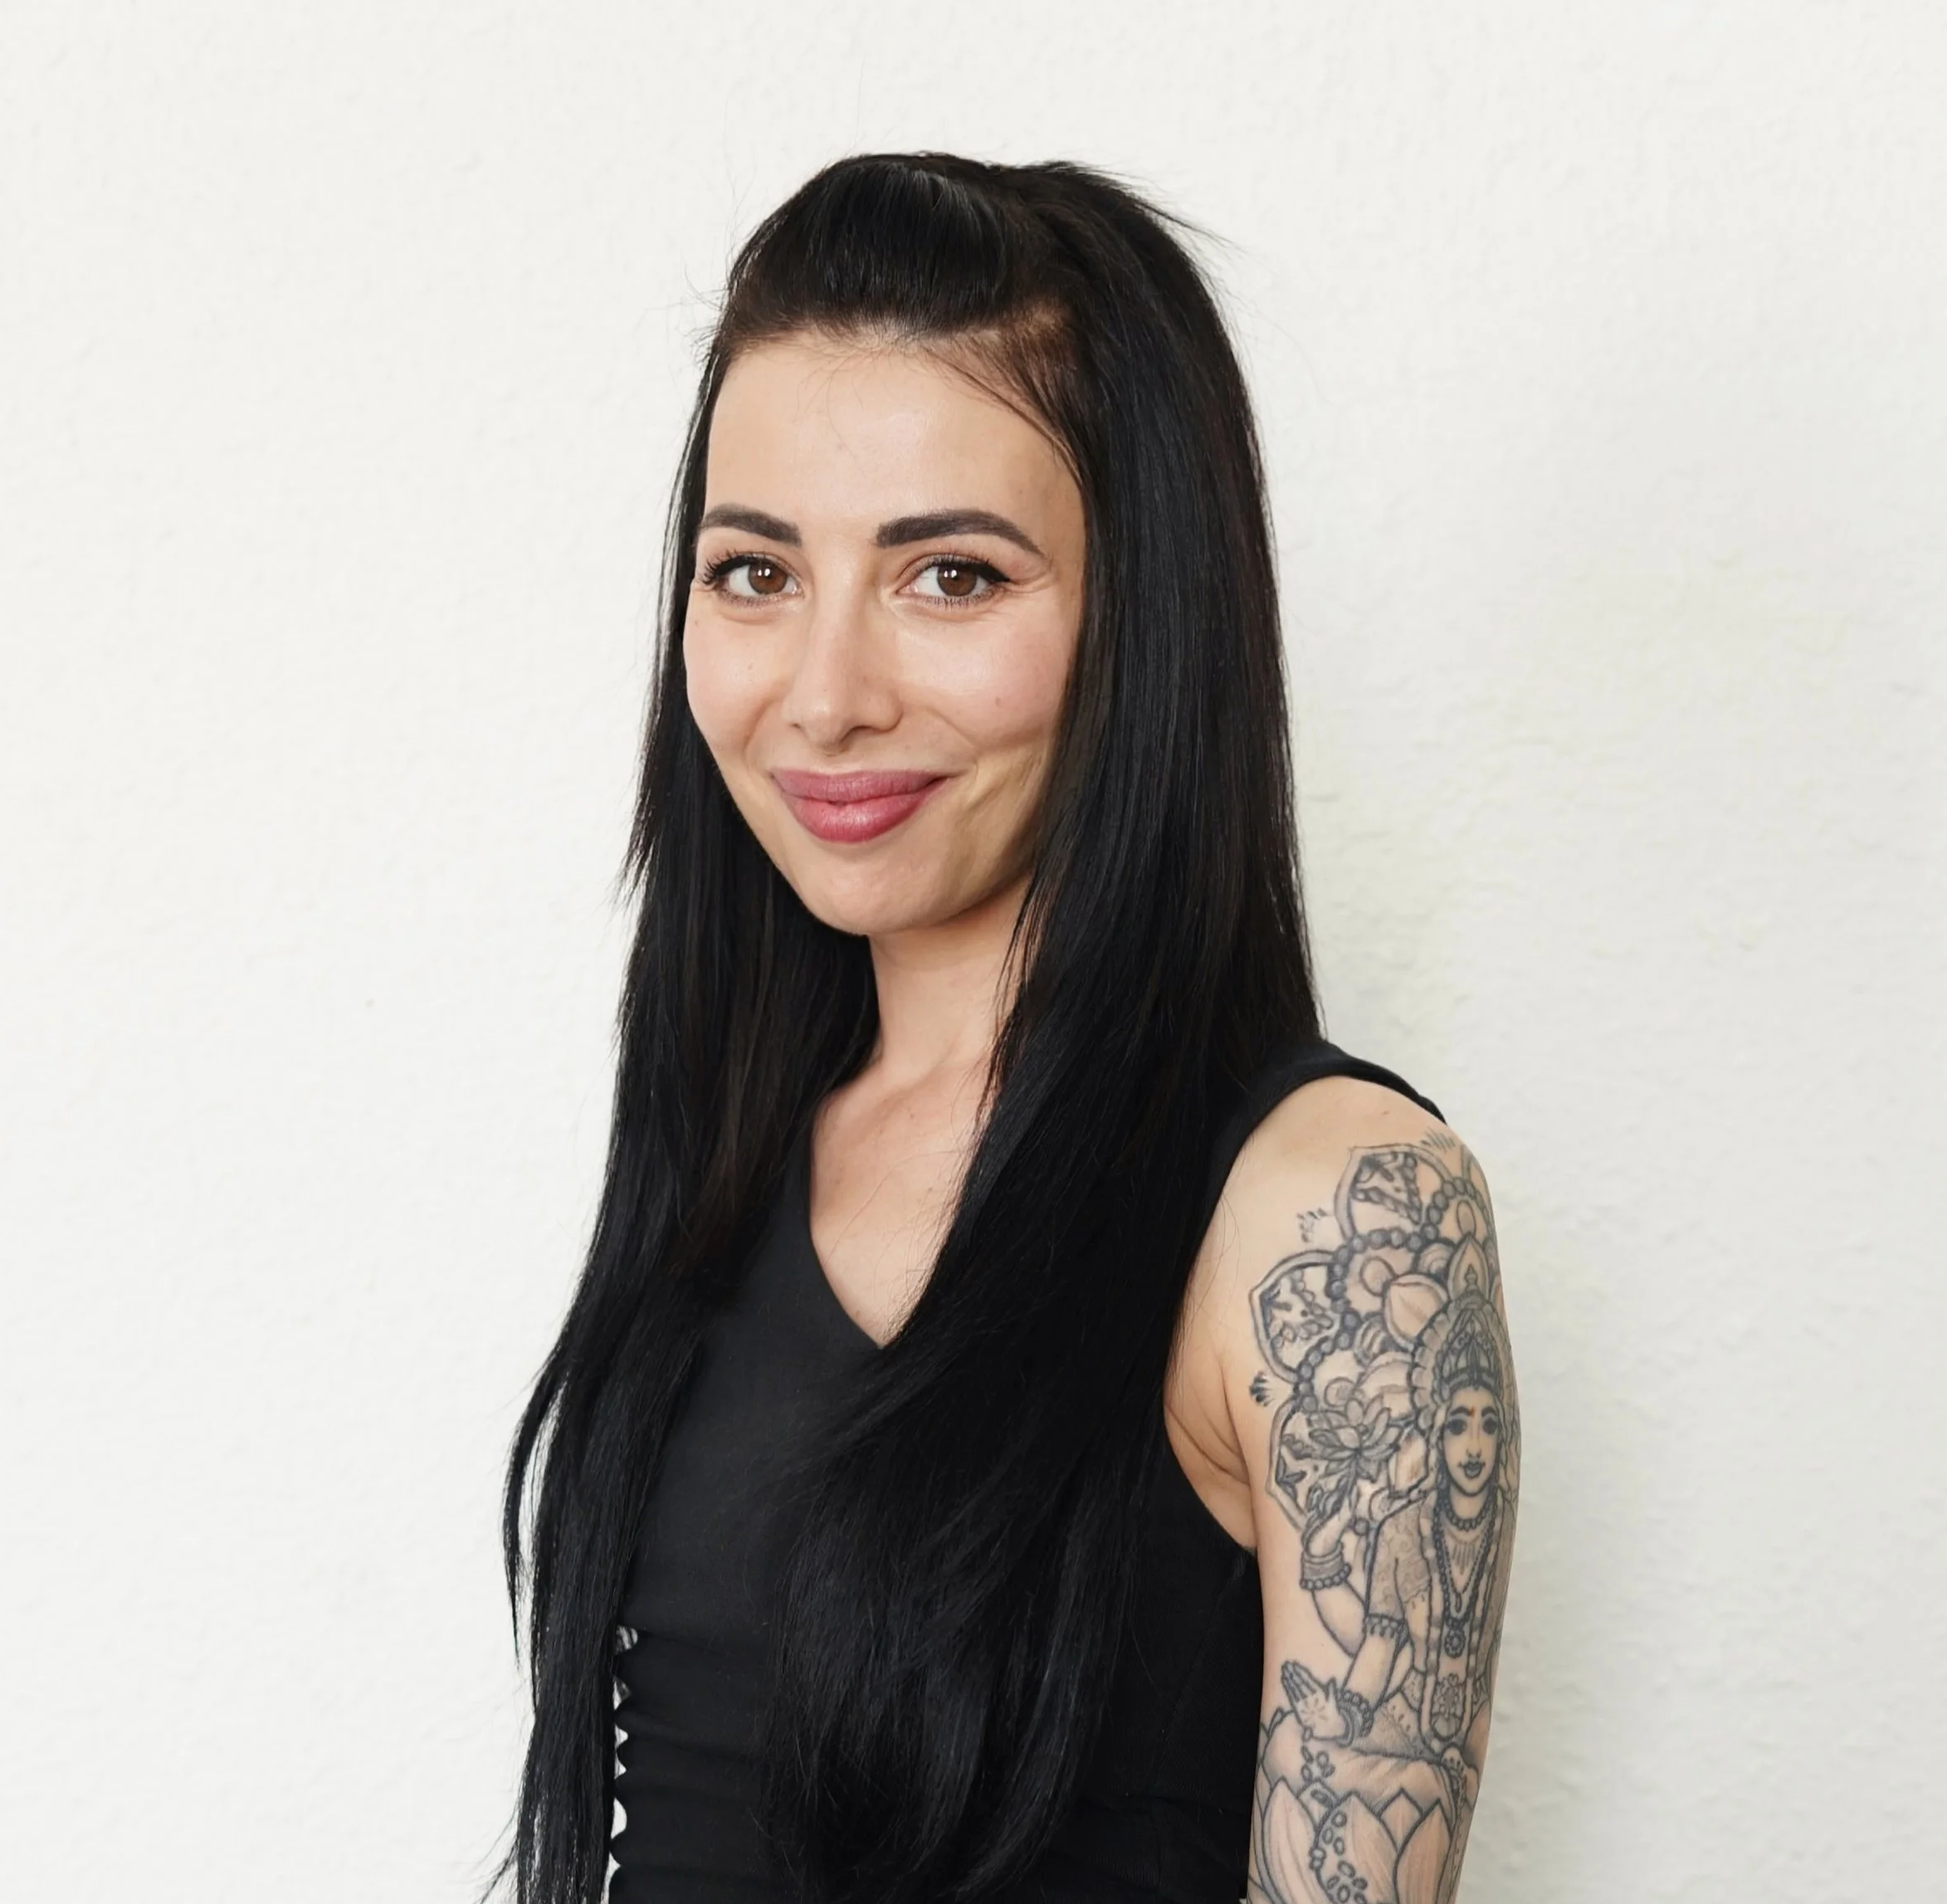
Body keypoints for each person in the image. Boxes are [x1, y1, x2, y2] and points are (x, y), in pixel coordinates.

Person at [493, 153, 1520, 1904]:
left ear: (1145, 613)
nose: (825, 693)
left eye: (951, 576)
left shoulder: (1337, 1220)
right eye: (754, 572)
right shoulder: (734, 1133)